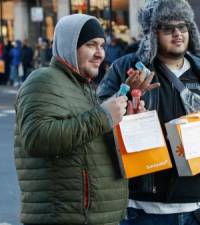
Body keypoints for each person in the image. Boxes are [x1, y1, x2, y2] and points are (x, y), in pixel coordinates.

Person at [97, 1, 200, 224]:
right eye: (167, 28)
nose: (177, 34)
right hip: (144, 213)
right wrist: (126, 94)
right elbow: (97, 123)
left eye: (182, 27)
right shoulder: (126, 68)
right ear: (151, 34)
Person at [14, 14, 134, 225]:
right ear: (69, 45)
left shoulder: (84, 88)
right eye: (91, 45)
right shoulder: (43, 80)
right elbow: (36, 138)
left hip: (98, 217)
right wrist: (103, 116)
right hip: (69, 217)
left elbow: (91, 143)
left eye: (102, 46)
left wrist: (127, 119)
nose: (100, 54)